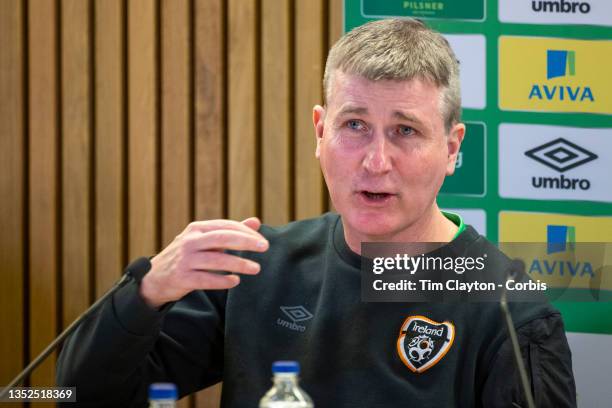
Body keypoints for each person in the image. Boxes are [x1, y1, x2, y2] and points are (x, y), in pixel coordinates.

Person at [57, 18, 576, 407]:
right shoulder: (257, 268)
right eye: (354, 125)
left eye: (405, 130)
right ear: (319, 131)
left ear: (452, 147)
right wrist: (146, 293)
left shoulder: (512, 309)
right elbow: (77, 393)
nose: (376, 161)